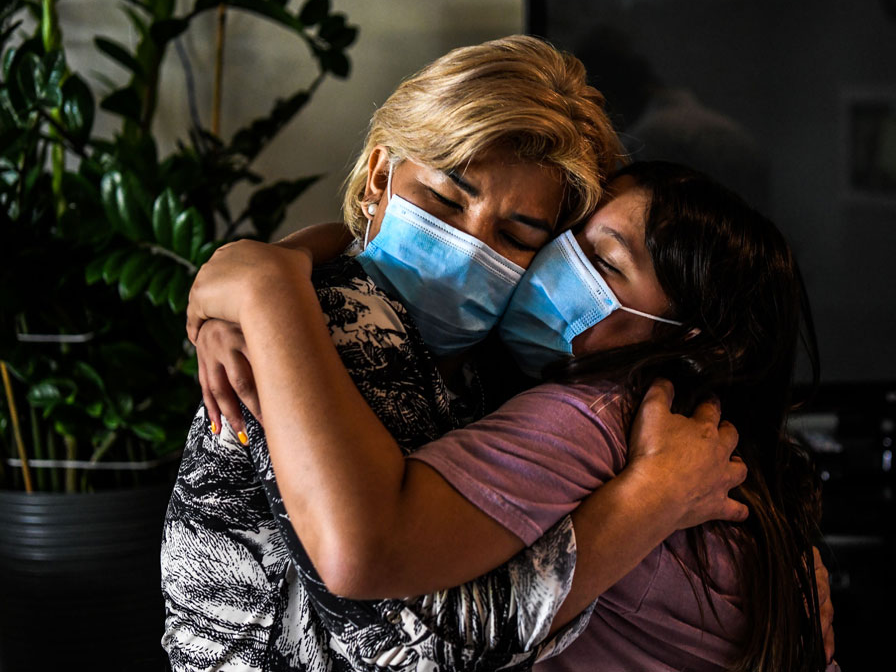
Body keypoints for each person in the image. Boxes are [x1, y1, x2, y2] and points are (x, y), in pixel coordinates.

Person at [161, 35, 752, 672]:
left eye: (517, 234)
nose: (468, 247)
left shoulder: (477, 358)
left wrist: (282, 260)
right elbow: (407, 643)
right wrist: (648, 503)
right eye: (445, 200)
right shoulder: (341, 321)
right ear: (382, 176)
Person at [187, 161, 836, 671]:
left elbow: (398, 618)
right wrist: (276, 271)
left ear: (692, 337)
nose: (559, 264)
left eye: (604, 263)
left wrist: (268, 287)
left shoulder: (594, 418)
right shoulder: (733, 448)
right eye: (560, 239)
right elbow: (376, 247)